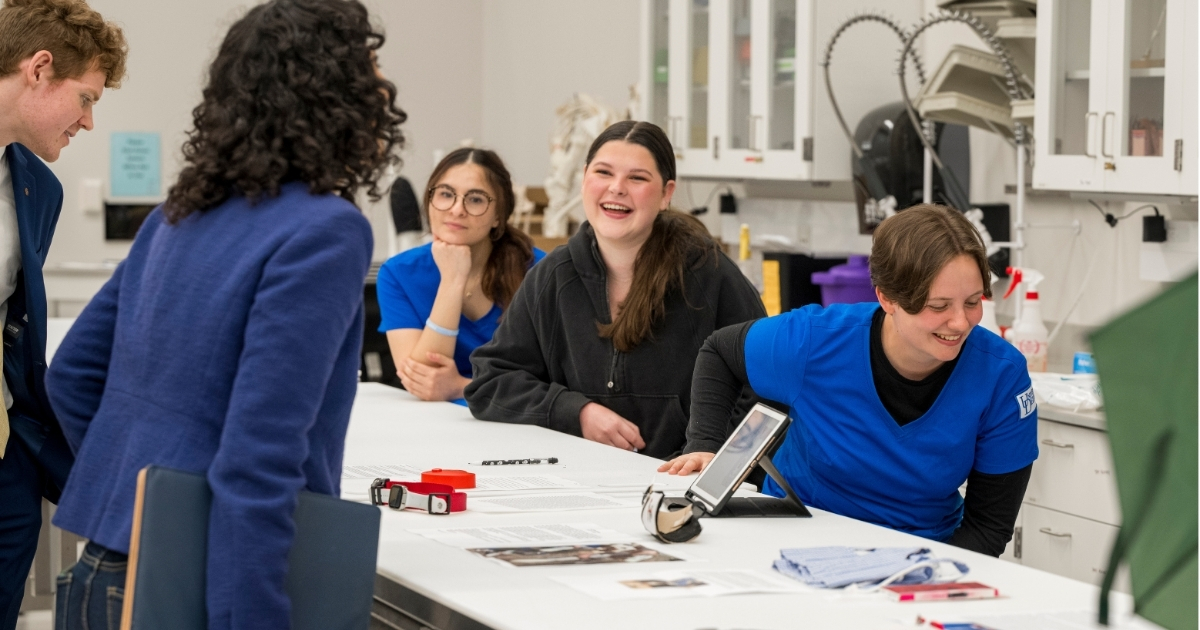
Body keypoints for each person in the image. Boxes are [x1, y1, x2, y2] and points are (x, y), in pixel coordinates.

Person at [43, 0, 405, 627]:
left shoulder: (176, 216)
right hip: (206, 587)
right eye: (369, 71)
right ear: (335, 94)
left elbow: (70, 376)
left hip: (101, 569)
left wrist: (149, 493)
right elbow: (258, 456)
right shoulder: (326, 230)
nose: (382, 88)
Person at [660, 204, 1038, 557]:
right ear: (887, 298)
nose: (960, 322)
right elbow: (720, 353)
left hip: (919, 550)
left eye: (973, 302)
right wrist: (705, 446)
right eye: (938, 306)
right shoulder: (814, 340)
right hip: (795, 535)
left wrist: (925, 579)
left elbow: (988, 528)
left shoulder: (1001, 375)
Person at [465, 121, 765, 459]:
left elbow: (767, 388)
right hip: (579, 482)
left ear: (666, 194)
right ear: (584, 180)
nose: (617, 188)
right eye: (603, 173)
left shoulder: (709, 275)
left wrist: (710, 454)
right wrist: (576, 412)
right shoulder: (552, 276)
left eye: (637, 178)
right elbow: (491, 382)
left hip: (681, 491)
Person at [0, 0, 126, 626]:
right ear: (40, 68)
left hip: (4, 458)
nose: (89, 121)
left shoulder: (35, 187)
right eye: (87, 98)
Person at [376, 148, 544, 403]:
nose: (456, 209)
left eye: (475, 199)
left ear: (498, 215)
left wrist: (461, 386)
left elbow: (552, 380)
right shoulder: (398, 274)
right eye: (445, 194)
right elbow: (424, 380)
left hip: (521, 420)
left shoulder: (540, 270)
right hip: (439, 425)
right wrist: (452, 281)